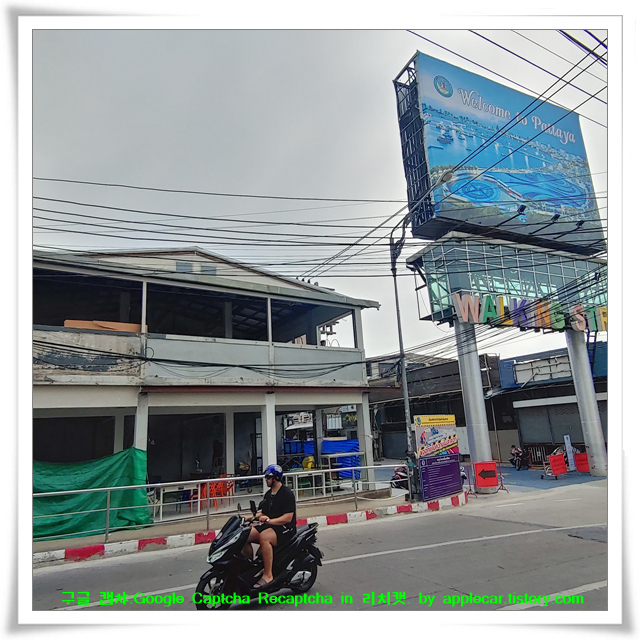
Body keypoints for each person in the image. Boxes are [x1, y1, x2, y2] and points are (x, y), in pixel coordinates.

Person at [242, 464, 296, 589]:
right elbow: (263, 512)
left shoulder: (286, 494)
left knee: (264, 537)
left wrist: (270, 521)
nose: (266, 480)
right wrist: (250, 518)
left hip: (285, 529)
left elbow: (288, 517)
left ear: (275, 479)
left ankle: (268, 575)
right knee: (244, 535)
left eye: (268, 477)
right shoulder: (268, 494)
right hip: (270, 525)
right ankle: (248, 568)